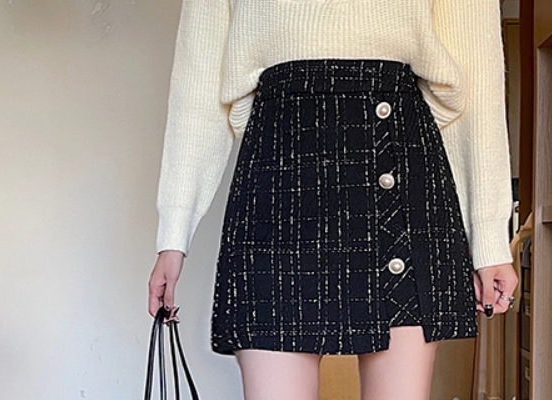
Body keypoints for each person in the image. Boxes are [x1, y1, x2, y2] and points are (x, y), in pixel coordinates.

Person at [147, 1, 519, 399]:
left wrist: (489, 236)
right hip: (279, 173)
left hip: (396, 154)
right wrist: (174, 234)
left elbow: (475, 71)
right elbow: (199, 80)